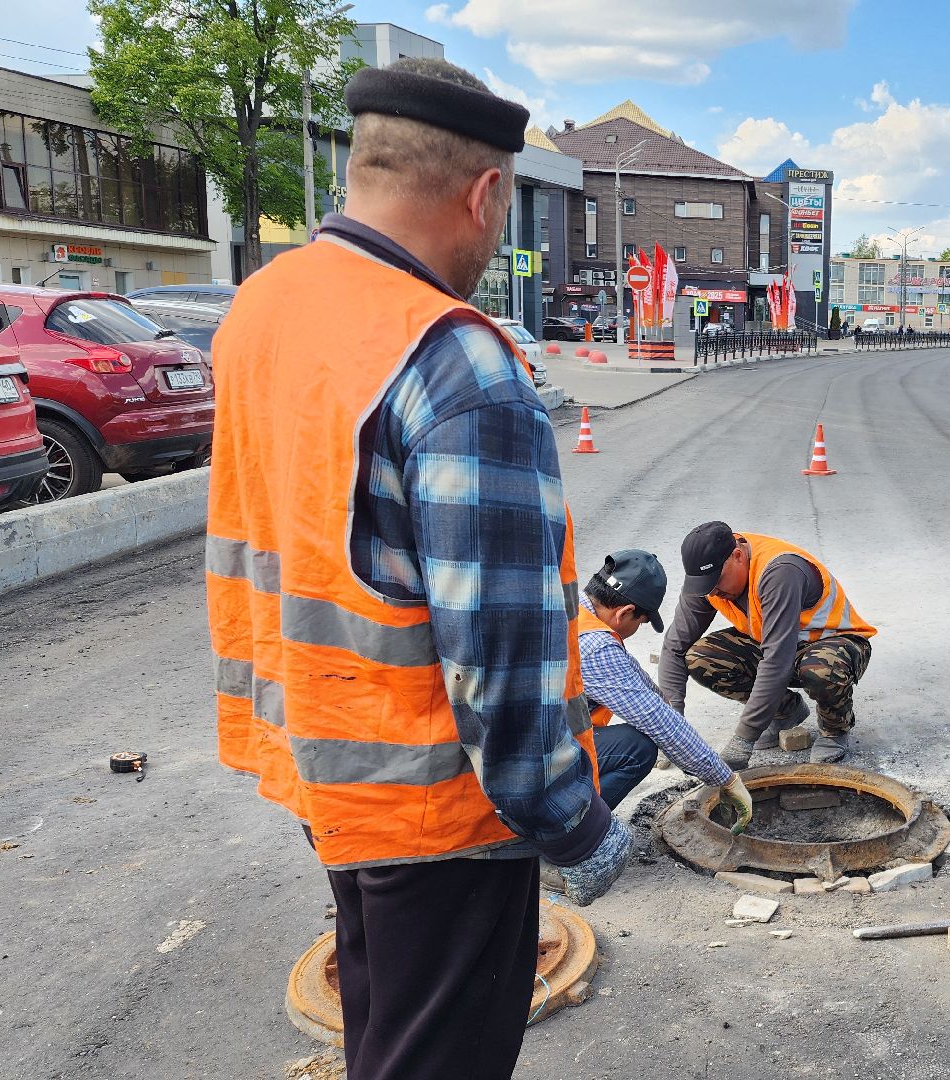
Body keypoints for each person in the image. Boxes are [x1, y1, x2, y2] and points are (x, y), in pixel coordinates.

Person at [206, 58, 629, 1080]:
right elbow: (502, 650)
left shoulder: (264, 309)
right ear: (486, 194)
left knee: (387, 1037)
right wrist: (575, 827)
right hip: (438, 813)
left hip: (324, 771)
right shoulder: (451, 360)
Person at [658, 522, 876, 768]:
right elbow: (674, 647)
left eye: (716, 581)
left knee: (821, 670)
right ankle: (785, 711)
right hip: (776, 645)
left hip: (833, 643)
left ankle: (835, 729)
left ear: (737, 556)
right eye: (706, 585)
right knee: (701, 657)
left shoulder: (780, 571)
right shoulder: (708, 582)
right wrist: (670, 728)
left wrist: (743, 739)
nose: (713, 592)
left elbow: (775, 661)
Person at [572, 548, 755, 822]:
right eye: (642, 622)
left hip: (511, 744)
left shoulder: (570, 607)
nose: (639, 628)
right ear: (625, 612)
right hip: (532, 760)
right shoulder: (595, 647)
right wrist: (726, 779)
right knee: (637, 747)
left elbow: (631, 675)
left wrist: (663, 702)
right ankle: (570, 831)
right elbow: (658, 722)